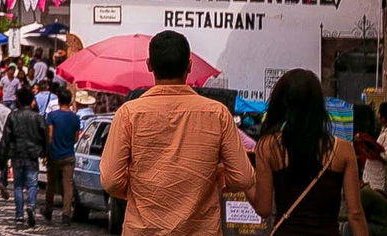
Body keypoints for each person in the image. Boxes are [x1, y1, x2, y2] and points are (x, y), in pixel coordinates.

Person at [100, 30, 254, 233]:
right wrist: (214, 181)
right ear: (189, 66)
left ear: (149, 65)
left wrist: (140, 190)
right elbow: (243, 178)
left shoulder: (129, 114)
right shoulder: (217, 114)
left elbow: (110, 181)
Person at [248, 68, 368, 235]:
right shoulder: (342, 150)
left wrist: (245, 183)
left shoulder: (268, 146)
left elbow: (263, 208)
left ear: (282, 103)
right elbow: (355, 213)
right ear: (319, 105)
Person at [2, 87, 46, 227]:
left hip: (17, 155)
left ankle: (19, 215)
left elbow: (6, 138)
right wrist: (45, 152)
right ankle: (31, 206)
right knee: (32, 184)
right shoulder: (37, 117)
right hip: (32, 155)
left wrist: (4, 156)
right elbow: (44, 137)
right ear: (31, 101)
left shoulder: (13, 116)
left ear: (18, 101)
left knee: (18, 186)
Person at [44, 90, 82, 225]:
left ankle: (48, 209)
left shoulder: (52, 116)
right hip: (69, 155)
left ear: (59, 101)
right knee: (68, 186)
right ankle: (66, 214)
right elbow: (76, 137)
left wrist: (47, 152)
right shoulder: (75, 118)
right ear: (70, 101)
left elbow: (49, 136)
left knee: (51, 184)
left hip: (54, 154)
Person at [361, 104, 387, 192]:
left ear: (383, 117)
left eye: (379, 113)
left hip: (377, 178)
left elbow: (385, 156)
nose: (377, 116)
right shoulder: (382, 130)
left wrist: (374, 150)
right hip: (371, 175)